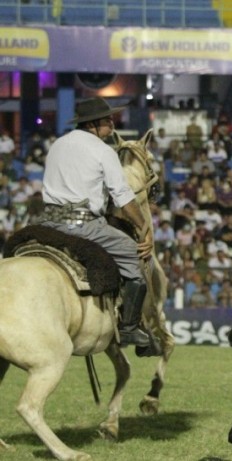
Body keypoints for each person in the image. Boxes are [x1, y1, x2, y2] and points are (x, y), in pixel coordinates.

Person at [40, 97, 156, 352]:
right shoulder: (103, 151)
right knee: (134, 256)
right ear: (92, 124)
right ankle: (128, 329)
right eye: (107, 120)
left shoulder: (57, 144)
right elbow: (123, 196)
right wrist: (143, 229)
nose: (112, 125)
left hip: (47, 223)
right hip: (82, 225)